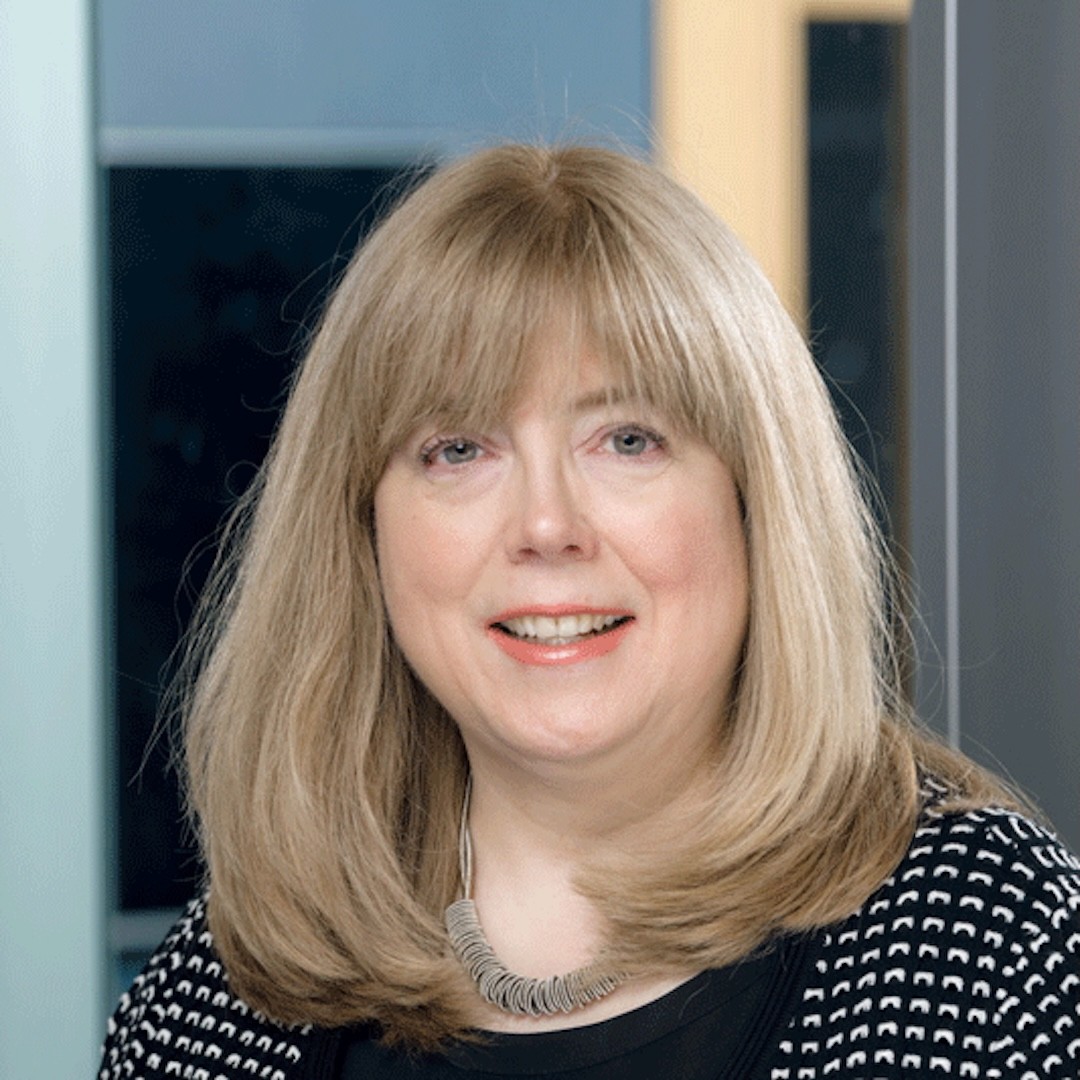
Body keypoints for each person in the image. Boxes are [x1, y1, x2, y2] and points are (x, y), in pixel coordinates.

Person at [99, 144, 1080, 1079]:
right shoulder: (209, 1009)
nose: (545, 524)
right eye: (458, 449)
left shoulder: (995, 956)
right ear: (361, 533)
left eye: (628, 439)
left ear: (754, 501)